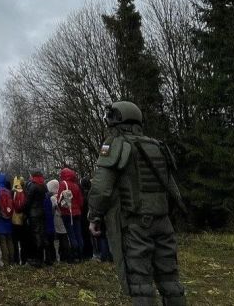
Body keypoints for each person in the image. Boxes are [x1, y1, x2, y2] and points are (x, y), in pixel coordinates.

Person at [88, 101, 186, 305]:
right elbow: (173, 188)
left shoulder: (117, 144)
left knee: (140, 284)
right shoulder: (157, 146)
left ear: (117, 120)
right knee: (170, 280)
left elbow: (101, 189)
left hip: (135, 224)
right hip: (163, 221)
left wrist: (94, 215)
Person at [57, 167, 84, 262]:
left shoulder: (63, 184)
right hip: (77, 213)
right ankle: (81, 255)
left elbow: (59, 200)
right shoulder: (76, 185)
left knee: (71, 235)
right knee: (78, 234)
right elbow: (81, 201)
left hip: (68, 212)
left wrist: (61, 209)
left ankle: (74, 256)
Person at [24, 170, 47, 267]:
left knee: (36, 236)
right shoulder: (43, 186)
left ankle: (37, 260)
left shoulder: (33, 186)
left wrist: (25, 211)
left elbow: (28, 201)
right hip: (42, 212)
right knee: (41, 235)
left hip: (34, 214)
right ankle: (42, 258)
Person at [0, 173, 14, 266]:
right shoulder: (9, 192)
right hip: (9, 219)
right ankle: (12, 260)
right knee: (9, 240)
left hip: (0, 220)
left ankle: (6, 261)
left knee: (2, 241)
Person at [47, 179, 71, 263]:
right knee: (64, 236)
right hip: (64, 217)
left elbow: (53, 209)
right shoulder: (62, 195)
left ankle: (64, 256)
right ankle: (66, 255)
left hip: (57, 218)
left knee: (61, 237)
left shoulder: (53, 198)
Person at [11, 176, 27, 265]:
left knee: (15, 241)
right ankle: (24, 259)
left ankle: (17, 260)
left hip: (14, 219)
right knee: (23, 241)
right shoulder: (26, 192)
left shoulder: (12, 192)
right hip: (23, 219)